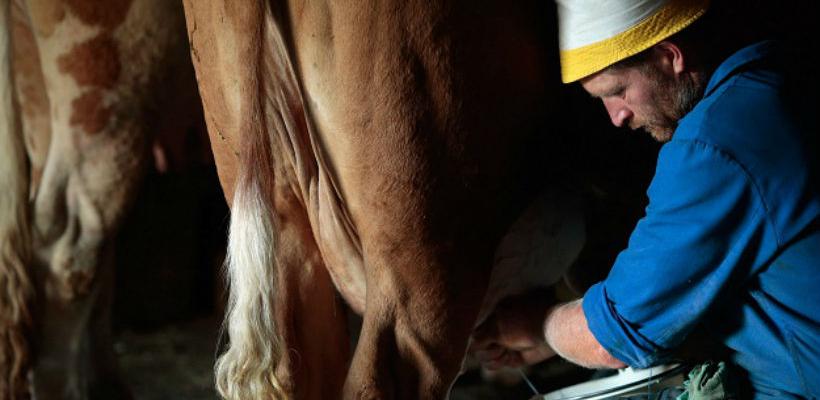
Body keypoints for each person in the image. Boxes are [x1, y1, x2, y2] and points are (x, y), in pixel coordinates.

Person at [470, 0, 820, 398]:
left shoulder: (716, 146)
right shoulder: (775, 81)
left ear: (670, 55)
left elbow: (609, 340)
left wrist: (536, 326)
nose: (616, 117)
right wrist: (553, 341)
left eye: (617, 91)